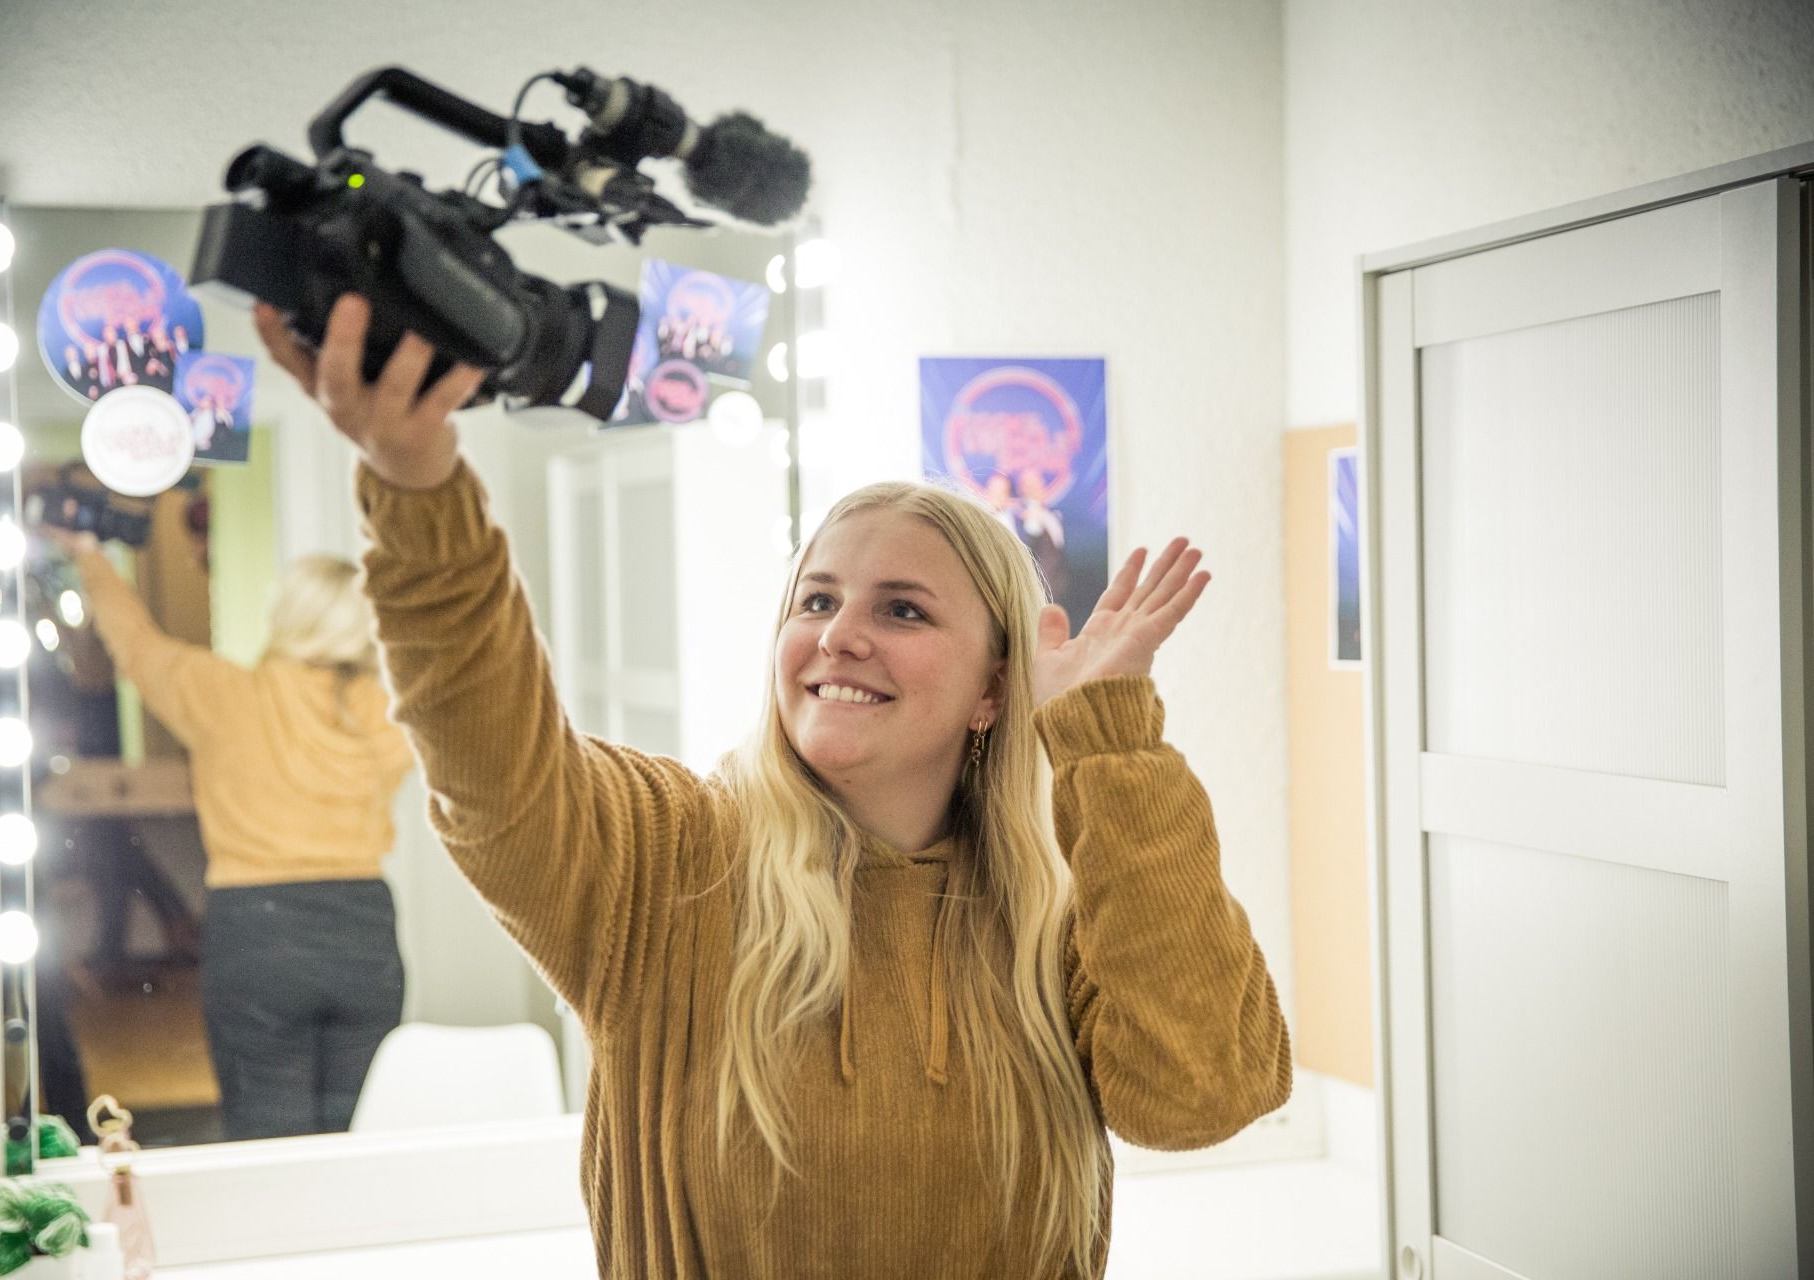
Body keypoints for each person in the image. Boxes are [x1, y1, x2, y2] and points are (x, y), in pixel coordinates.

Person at [255, 294, 1291, 1278]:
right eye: (819, 597)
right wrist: (418, 480)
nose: (839, 634)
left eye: (904, 610)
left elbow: (1202, 1094)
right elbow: (490, 754)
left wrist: (1108, 743)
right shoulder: (663, 862)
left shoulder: (1056, 919)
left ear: (993, 689)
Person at [53, 534, 417, 1141]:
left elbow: (135, 644)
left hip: (259, 933)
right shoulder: (390, 709)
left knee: (267, 1149)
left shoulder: (224, 694)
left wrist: (90, 554)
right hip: (363, 933)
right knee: (359, 1142)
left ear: (288, 616)